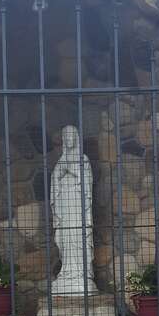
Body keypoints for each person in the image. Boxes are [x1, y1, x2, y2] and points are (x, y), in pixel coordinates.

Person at [51, 125, 97, 295]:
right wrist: (60, 173)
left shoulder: (83, 159)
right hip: (64, 205)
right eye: (66, 136)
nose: (69, 139)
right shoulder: (61, 161)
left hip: (78, 206)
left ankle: (82, 273)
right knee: (66, 237)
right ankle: (67, 271)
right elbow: (54, 183)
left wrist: (73, 172)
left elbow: (87, 183)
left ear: (76, 138)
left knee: (78, 236)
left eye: (71, 136)